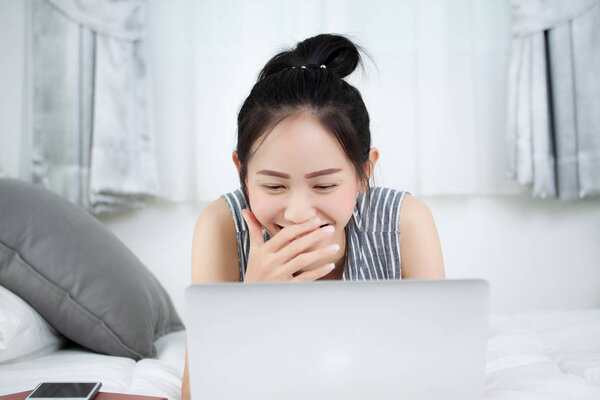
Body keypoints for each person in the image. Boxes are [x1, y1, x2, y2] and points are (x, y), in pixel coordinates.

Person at [181, 33, 445, 399]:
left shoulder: (405, 222)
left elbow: (440, 375)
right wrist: (250, 305)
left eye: (323, 187)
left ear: (364, 173)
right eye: (274, 187)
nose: (298, 213)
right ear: (241, 172)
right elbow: (196, 394)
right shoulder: (221, 226)